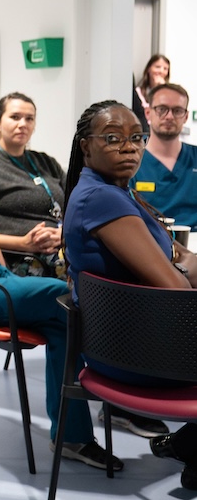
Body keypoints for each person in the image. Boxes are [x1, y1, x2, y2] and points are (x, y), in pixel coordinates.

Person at [0, 171, 115, 469]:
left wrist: (6, 276)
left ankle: (72, 437)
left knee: (65, 327)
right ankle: (121, 390)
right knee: (64, 292)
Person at [63, 99, 197, 485]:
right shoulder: (104, 199)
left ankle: (189, 448)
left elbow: (180, 259)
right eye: (113, 138)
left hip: (130, 346)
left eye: (137, 138)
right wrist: (181, 267)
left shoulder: (116, 192)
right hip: (140, 356)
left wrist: (181, 264)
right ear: (86, 146)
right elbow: (176, 287)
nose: (130, 147)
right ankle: (190, 447)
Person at [0, 92, 66, 278]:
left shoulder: (46, 162)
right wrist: (23, 243)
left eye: (29, 119)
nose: (23, 124)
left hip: (62, 249)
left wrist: (65, 233)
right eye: (15, 117)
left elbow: (78, 204)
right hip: (17, 257)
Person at [132, 83, 197, 230]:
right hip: (151, 246)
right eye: (162, 109)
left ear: (186, 117)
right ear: (148, 112)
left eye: (177, 110)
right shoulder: (132, 162)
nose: (169, 116)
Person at [132, 54, 171, 132]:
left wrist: (162, 89)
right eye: (157, 67)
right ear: (149, 69)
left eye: (165, 69)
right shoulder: (138, 92)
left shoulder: (170, 93)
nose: (161, 71)